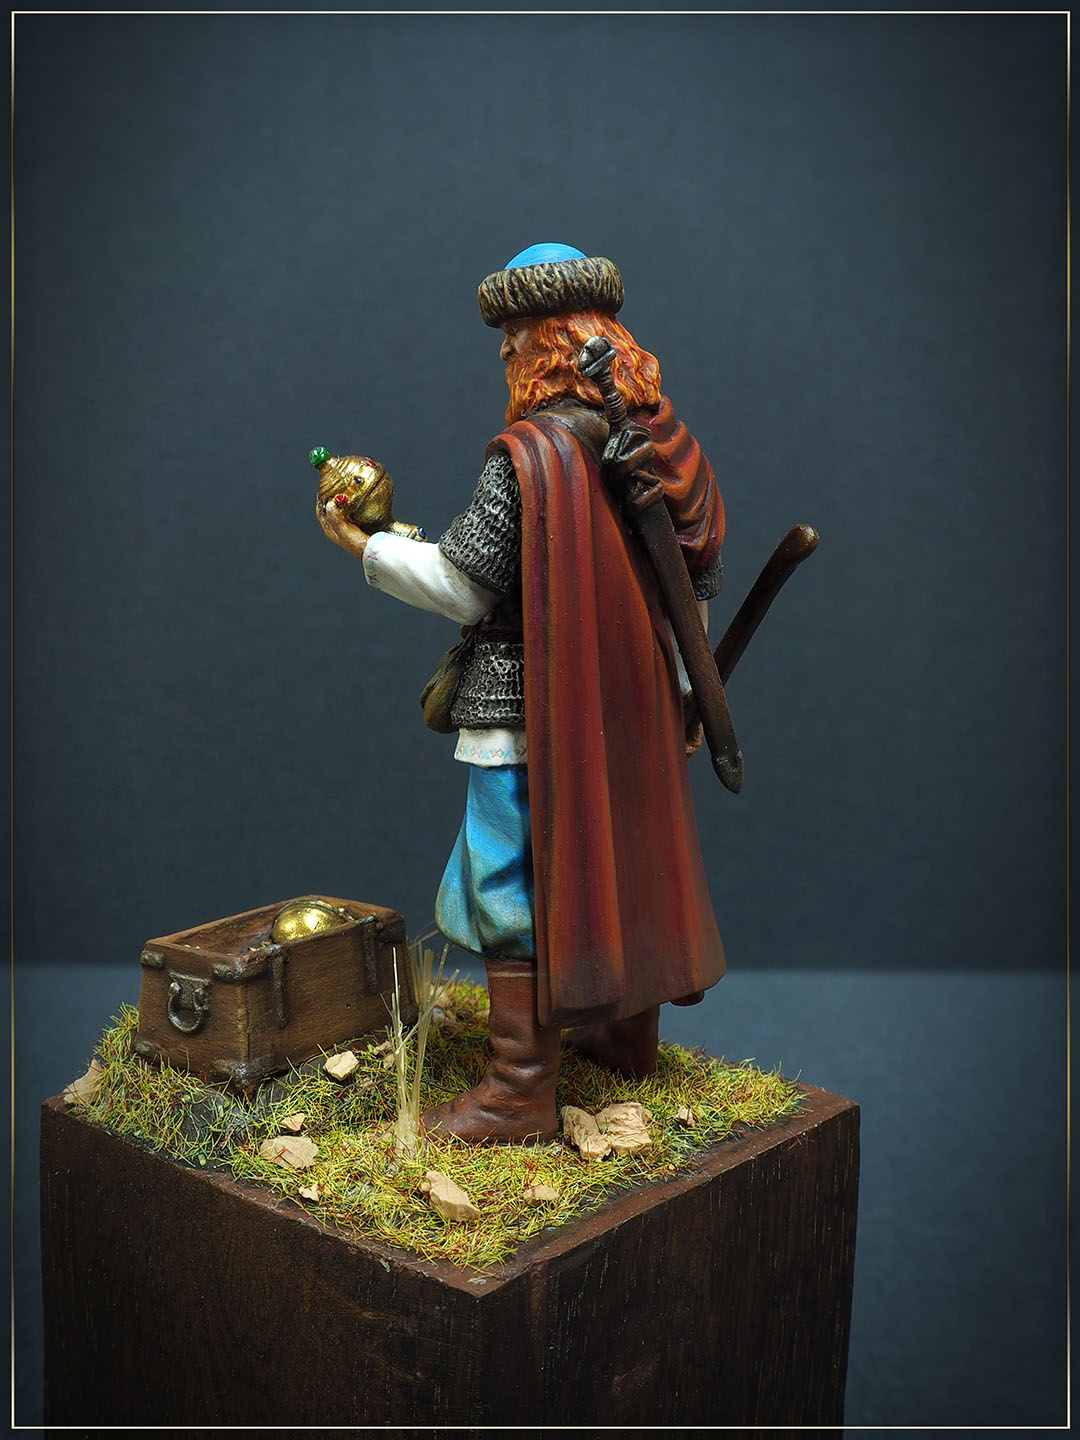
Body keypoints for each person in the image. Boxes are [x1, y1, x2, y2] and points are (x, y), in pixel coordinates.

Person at [317, 243, 727, 1144]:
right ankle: (625, 1040)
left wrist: (365, 547)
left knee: (504, 878)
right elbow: (694, 580)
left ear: (554, 341)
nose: (504, 353)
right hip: (637, 705)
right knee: (619, 853)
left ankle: (518, 1090)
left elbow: (467, 586)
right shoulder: (667, 443)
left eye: (515, 336)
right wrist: (681, 691)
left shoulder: (532, 455)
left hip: (530, 706)